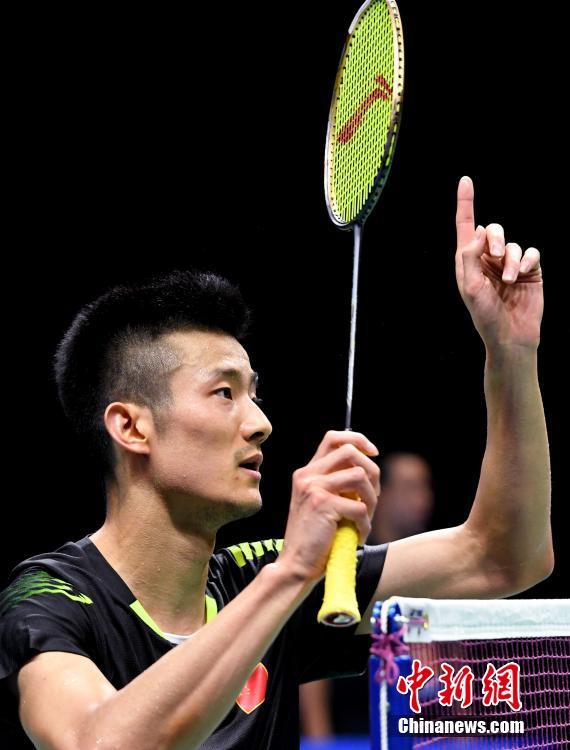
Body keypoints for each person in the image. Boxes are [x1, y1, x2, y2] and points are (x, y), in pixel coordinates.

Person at [0, 177, 552, 750]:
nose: (260, 422)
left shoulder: (253, 580)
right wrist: (290, 574)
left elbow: (503, 557)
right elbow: (96, 743)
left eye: (255, 393)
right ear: (132, 427)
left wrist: (511, 354)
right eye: (224, 393)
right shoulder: (51, 597)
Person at [299, 452, 434, 738]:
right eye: (410, 487)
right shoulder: (346, 560)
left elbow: (436, 657)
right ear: (381, 493)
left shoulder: (428, 570)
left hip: (409, 731)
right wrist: (319, 742)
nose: (422, 498)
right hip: (348, 734)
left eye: (425, 487)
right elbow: (311, 659)